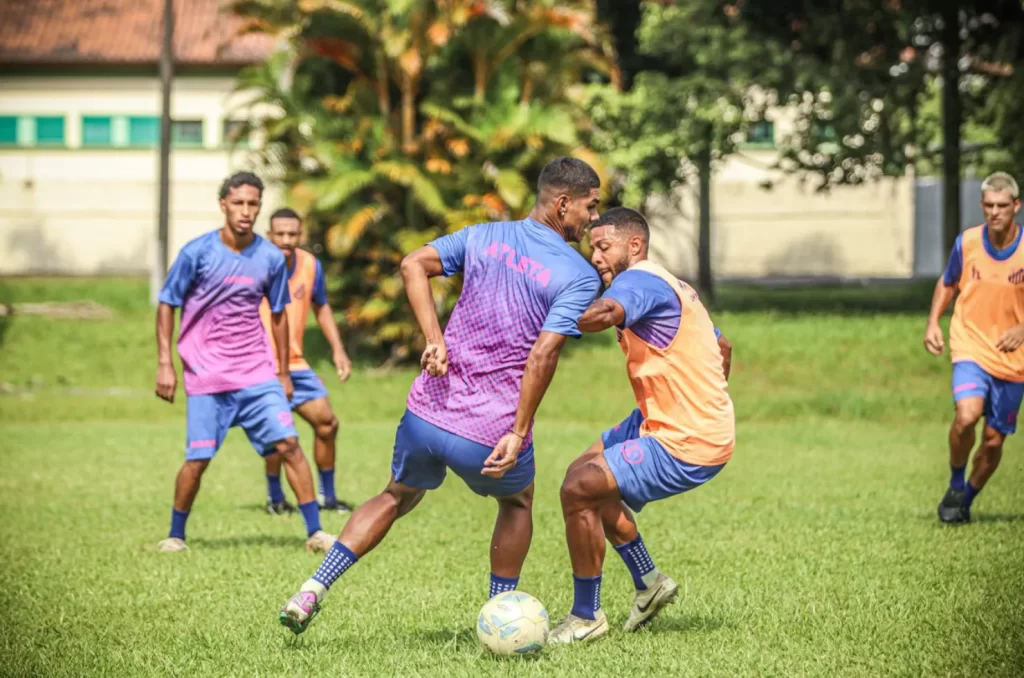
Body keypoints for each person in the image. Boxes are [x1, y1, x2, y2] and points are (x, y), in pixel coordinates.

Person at [277, 157, 603, 635]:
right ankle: (499, 620)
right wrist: (517, 431)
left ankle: (312, 589)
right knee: (517, 503)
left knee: (395, 495)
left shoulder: (483, 236)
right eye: (590, 207)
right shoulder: (578, 275)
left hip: (427, 413)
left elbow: (413, 264)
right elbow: (543, 357)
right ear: (563, 203)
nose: (593, 218)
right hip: (488, 428)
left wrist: (435, 338)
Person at [547, 207, 735, 644]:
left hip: (687, 438)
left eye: (603, 246)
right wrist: (706, 397)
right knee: (585, 473)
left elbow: (606, 313)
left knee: (579, 490)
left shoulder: (638, 281)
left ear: (635, 245)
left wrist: (563, 311)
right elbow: (721, 345)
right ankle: (649, 583)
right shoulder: (673, 285)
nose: (595, 256)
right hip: (667, 418)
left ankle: (585, 617)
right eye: (592, 247)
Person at [154, 172, 334, 553]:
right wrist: (165, 363)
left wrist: (283, 371)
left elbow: (281, 314)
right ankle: (175, 535)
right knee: (198, 459)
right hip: (207, 375)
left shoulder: (269, 257)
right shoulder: (197, 253)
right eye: (238, 203)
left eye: (253, 204)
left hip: (257, 372)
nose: (246, 211)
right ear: (223, 205)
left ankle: (315, 533)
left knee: (289, 443)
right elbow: (168, 303)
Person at [925, 171, 1024, 524]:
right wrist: (933, 321)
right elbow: (949, 282)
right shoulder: (967, 243)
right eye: (988, 206)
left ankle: (964, 500)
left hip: (1013, 360)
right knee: (966, 415)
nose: (994, 212)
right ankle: (955, 483)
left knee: (994, 440)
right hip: (970, 345)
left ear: (1016, 206)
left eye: (1002, 206)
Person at [258, 208, 355, 516]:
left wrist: (338, 350)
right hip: (261, 365)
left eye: (292, 234)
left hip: (296, 364)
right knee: (278, 432)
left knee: (327, 424)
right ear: (269, 235)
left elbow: (321, 307)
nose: (286, 240)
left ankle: (328, 496)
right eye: (280, 234)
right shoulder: (254, 266)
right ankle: (276, 498)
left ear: (300, 235)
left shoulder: (311, 265)